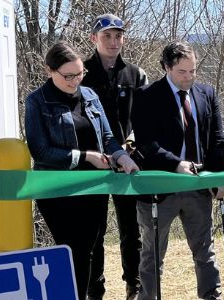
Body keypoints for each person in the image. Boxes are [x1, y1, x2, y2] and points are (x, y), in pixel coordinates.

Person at [25, 41, 140, 299]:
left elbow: (108, 137)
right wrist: (85, 156)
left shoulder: (90, 95)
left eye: (79, 74)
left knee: (88, 249)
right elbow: (41, 152)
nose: (75, 80)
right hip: (56, 189)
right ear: (49, 71)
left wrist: (121, 156)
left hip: (94, 185)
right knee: (69, 250)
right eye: (68, 76)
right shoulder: (37, 101)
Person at [131, 41, 224, 300]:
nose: (189, 77)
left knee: (205, 251)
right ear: (166, 67)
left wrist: (218, 177)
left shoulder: (207, 93)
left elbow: (217, 140)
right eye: (182, 72)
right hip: (159, 190)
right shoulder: (146, 95)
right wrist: (176, 163)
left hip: (198, 187)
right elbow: (146, 144)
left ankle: (211, 296)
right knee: (152, 255)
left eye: (193, 71)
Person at [81, 13, 148, 300]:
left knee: (131, 230)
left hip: (128, 162)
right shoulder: (80, 72)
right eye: (106, 35)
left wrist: (132, 142)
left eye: (118, 35)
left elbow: (147, 116)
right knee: (93, 233)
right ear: (94, 38)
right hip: (93, 165)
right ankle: (95, 290)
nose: (113, 41)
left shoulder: (135, 74)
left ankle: (133, 284)